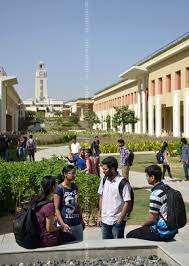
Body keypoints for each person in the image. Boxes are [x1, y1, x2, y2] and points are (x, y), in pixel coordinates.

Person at [127, 165, 178, 241]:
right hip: (173, 230)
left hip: (163, 232)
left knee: (130, 235)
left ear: (152, 177)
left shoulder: (156, 194)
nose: (146, 178)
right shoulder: (167, 188)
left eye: (147, 176)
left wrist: (142, 226)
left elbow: (152, 218)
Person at [35, 176, 75, 247]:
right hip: (48, 239)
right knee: (72, 236)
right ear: (53, 187)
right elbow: (49, 228)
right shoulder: (49, 205)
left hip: (38, 236)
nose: (58, 185)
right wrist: (62, 227)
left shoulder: (38, 201)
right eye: (56, 183)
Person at [97, 156, 131, 239]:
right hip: (105, 221)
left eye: (105, 169)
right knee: (106, 247)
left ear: (112, 169)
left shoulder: (123, 183)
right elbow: (101, 197)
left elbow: (127, 202)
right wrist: (99, 215)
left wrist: (120, 219)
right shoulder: (104, 180)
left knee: (117, 248)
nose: (103, 171)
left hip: (117, 222)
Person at [54, 165, 84, 241]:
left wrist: (81, 219)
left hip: (77, 223)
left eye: (75, 173)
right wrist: (63, 224)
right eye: (72, 173)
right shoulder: (59, 189)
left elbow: (77, 204)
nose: (74, 175)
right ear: (65, 174)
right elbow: (56, 209)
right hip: (67, 224)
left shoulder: (74, 186)